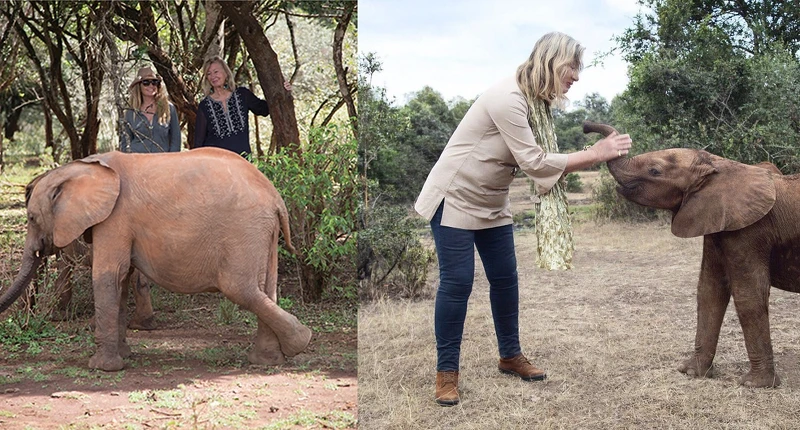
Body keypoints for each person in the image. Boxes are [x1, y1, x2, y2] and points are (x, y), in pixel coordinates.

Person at [414, 32, 633, 406]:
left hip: (493, 201)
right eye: (572, 67)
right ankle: (446, 373)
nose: (577, 76)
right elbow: (534, 162)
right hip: (454, 197)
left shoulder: (537, 103)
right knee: (458, 283)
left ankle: (510, 355)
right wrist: (595, 153)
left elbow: (537, 158)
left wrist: (589, 154)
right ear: (551, 61)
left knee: (505, 279)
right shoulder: (509, 99)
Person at [194, 56, 292, 157]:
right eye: (208, 74)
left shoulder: (242, 95)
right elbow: (198, 141)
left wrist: (283, 90)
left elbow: (264, 109)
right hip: (216, 163)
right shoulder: (205, 105)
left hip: (242, 161)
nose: (213, 76)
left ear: (226, 73)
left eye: (216, 71)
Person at [121, 66, 181, 153]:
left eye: (154, 82)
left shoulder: (168, 108)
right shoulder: (130, 112)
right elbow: (125, 142)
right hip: (138, 162)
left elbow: (176, 140)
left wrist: (171, 161)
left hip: (162, 162)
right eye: (146, 82)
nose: (151, 85)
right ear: (139, 86)